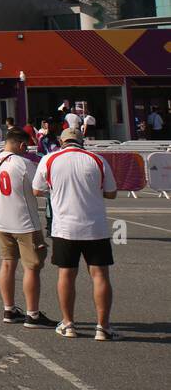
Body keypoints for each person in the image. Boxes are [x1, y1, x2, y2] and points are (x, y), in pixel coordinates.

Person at [32, 129, 118, 340]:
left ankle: (68, 323)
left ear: (62, 141)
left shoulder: (50, 159)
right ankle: (103, 327)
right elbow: (111, 192)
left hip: (64, 227)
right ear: (82, 141)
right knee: (100, 275)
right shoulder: (97, 159)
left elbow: (36, 190)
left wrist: (57, 187)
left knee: (66, 274)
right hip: (95, 226)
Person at [0, 128, 56, 329]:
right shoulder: (24, 163)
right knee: (32, 267)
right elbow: (40, 188)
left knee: (7, 264)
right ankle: (32, 313)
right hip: (25, 222)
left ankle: (9, 308)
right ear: (22, 145)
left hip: (1, 220)